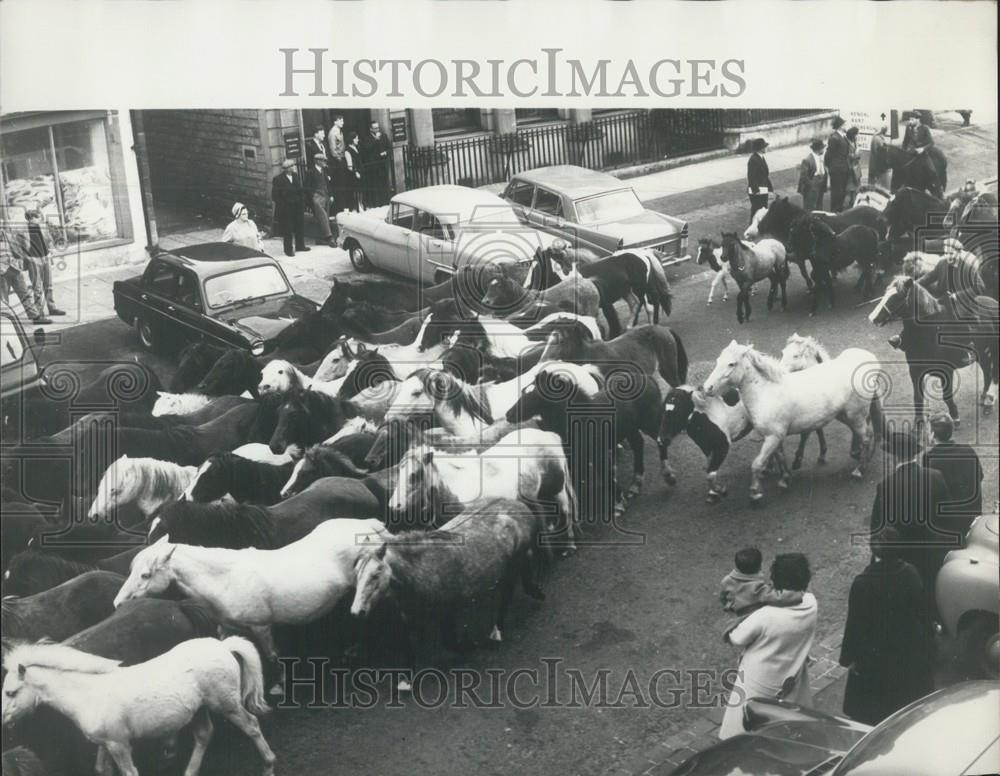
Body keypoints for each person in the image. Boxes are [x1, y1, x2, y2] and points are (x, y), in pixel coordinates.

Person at [839, 527, 935, 725]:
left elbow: (855, 625)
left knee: (876, 710)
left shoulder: (863, 583)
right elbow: (922, 611)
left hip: (876, 656)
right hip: (907, 650)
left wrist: (848, 657)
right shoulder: (910, 572)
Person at [718, 553, 818, 740]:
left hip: (760, 679)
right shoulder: (812, 603)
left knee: (745, 730)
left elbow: (736, 638)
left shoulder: (765, 615)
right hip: (792, 674)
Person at [869, 427, 953, 615]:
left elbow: (877, 528)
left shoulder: (886, 486)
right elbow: (947, 518)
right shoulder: (935, 476)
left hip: (903, 558)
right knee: (930, 601)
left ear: (894, 457)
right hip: (933, 554)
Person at [922, 412, 983, 538]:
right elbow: (980, 475)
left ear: (933, 435)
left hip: (946, 523)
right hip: (972, 516)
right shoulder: (968, 450)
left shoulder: (929, 457)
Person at [719, 547, 803, 616]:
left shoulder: (727, 580)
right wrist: (799, 594)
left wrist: (729, 604)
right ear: (760, 566)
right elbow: (779, 598)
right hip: (750, 617)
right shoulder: (758, 588)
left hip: (735, 613)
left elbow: (723, 597)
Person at [0, 224, 49, 323]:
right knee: (4, 299)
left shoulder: (8, 236)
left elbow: (19, 250)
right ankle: (5, 321)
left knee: (25, 294)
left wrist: (19, 263)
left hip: (15, 269)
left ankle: (35, 317)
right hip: (2, 273)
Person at [22, 210, 65, 317]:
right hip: (33, 260)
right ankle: (39, 311)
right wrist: (28, 258)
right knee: (37, 287)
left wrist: (50, 251)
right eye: (37, 217)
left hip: (45, 257)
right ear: (31, 219)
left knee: (49, 285)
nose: (39, 219)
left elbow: (49, 240)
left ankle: (52, 308)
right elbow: (21, 247)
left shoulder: (43, 227)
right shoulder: (23, 231)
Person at [916, 236, 985, 299]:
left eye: (951, 253)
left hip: (959, 303)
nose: (948, 257)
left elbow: (980, 287)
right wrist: (915, 284)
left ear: (959, 253)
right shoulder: (942, 263)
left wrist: (958, 295)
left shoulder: (967, 268)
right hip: (942, 299)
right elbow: (929, 277)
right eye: (946, 253)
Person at [271, 158, 310, 258]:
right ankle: (288, 249)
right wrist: (284, 205)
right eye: (292, 166)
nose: (295, 167)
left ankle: (300, 246)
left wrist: (302, 201)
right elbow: (275, 196)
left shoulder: (296, 176)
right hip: (287, 209)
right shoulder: (278, 179)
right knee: (288, 229)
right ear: (287, 168)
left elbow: (300, 190)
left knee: (299, 226)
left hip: (297, 207)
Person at [360, 120, 393, 207]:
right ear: (371, 129)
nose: (377, 129)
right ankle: (376, 203)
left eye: (378, 127)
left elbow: (389, 147)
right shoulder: (366, 138)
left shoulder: (384, 136)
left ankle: (385, 202)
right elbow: (366, 149)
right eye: (375, 128)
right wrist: (376, 140)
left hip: (383, 164)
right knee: (375, 185)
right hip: (373, 166)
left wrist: (385, 152)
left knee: (384, 184)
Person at [305, 153, 336, 247]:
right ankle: (329, 237)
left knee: (324, 216)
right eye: (323, 160)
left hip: (325, 196)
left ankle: (320, 238)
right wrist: (313, 197)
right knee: (323, 216)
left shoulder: (324, 171)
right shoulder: (310, 172)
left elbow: (328, 184)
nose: (325, 162)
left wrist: (331, 195)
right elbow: (307, 187)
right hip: (317, 197)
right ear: (317, 161)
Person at [825, 116, 851, 212]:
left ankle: (839, 211)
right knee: (837, 194)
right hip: (837, 170)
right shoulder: (834, 138)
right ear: (840, 126)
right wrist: (832, 166)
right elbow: (828, 155)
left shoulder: (842, 136)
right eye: (844, 124)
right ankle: (835, 212)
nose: (846, 126)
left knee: (842, 193)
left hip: (843, 169)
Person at [746, 138, 772, 223]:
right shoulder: (753, 160)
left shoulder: (761, 158)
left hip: (763, 189)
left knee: (762, 210)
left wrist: (770, 188)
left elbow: (764, 175)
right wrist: (755, 190)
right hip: (757, 191)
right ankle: (752, 226)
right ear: (761, 149)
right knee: (756, 210)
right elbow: (751, 177)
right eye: (764, 147)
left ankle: (759, 226)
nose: (766, 148)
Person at [797, 138, 828, 212]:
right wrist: (812, 186)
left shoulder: (820, 158)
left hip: (820, 186)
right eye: (823, 148)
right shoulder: (808, 160)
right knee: (810, 208)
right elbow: (803, 177)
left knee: (819, 206)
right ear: (819, 149)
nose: (823, 150)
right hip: (812, 188)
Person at [343, 131, 363, 212]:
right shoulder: (347, 150)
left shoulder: (357, 147)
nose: (357, 140)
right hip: (354, 174)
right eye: (356, 138)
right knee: (356, 190)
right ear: (352, 139)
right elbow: (350, 165)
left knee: (360, 189)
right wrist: (355, 172)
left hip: (360, 171)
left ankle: (361, 204)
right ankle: (356, 206)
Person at [868, 124, 892, 189]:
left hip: (880, 166)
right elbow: (876, 153)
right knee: (878, 184)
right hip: (878, 166)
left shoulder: (879, 138)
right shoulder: (877, 138)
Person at [844, 127, 863, 208]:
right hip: (851, 170)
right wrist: (857, 154)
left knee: (855, 189)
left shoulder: (854, 142)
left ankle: (853, 206)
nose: (857, 136)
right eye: (856, 134)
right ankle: (844, 206)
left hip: (855, 170)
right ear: (853, 135)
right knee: (850, 190)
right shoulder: (847, 144)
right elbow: (848, 156)